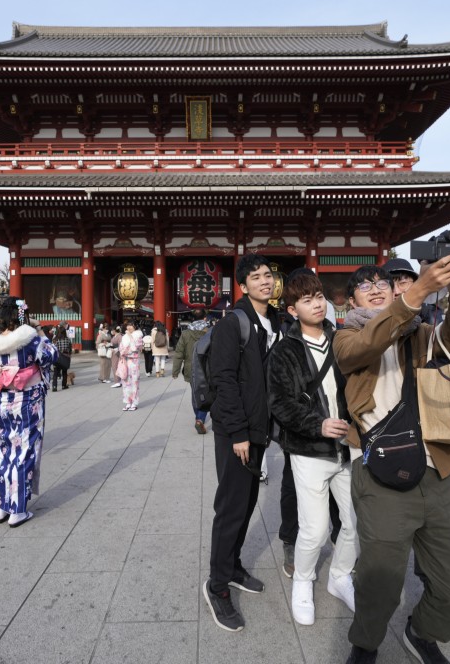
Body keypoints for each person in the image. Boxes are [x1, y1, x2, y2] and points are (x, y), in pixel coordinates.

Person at [334, 256, 450, 664]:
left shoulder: (421, 333)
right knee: (380, 579)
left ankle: (422, 632)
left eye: (382, 282)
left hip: (437, 468)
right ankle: (365, 644)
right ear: (350, 302)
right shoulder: (346, 335)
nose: (376, 288)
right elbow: (363, 349)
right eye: (365, 285)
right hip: (379, 469)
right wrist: (415, 294)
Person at [267, 269, 357, 626]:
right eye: (307, 300)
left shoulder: (342, 339)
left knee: (354, 522)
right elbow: (280, 403)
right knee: (316, 529)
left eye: (319, 296)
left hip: (348, 448)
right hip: (309, 451)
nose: (317, 304)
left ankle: (340, 575)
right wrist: (317, 424)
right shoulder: (284, 351)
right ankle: (303, 581)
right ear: (292, 310)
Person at [203, 254, 281, 633]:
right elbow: (224, 381)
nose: (265, 281)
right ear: (243, 285)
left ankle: (232, 567)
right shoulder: (233, 324)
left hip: (260, 429)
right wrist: (237, 434)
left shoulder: (276, 321)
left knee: (248, 503)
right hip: (237, 432)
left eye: (268, 275)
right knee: (231, 507)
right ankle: (217, 585)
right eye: (256, 276)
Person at [0, 299, 57, 527]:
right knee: (23, 452)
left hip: (1, 400)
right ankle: (18, 510)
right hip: (27, 399)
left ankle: (3, 506)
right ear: (23, 316)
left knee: (4, 451)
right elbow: (51, 355)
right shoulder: (30, 340)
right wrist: (39, 330)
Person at [170, 309, 210, 433]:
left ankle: (198, 417)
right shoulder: (210, 332)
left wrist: (175, 371)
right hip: (208, 368)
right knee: (207, 394)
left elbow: (179, 353)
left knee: (195, 394)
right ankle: (200, 418)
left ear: (193, 318)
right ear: (205, 318)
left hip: (191, 369)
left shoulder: (185, 334)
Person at [118, 321, 143, 411]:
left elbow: (135, 348)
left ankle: (134, 402)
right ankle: (128, 402)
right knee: (125, 382)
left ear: (135, 327)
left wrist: (130, 337)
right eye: (128, 326)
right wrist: (124, 351)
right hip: (125, 361)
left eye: (131, 325)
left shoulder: (138, 335)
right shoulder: (124, 337)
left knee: (134, 382)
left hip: (134, 361)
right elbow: (121, 348)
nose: (129, 327)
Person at [52, 326, 72, 391]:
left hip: (57, 358)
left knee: (55, 373)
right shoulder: (68, 340)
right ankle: (64, 385)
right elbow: (70, 349)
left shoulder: (55, 340)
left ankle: (54, 386)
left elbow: (53, 349)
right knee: (64, 372)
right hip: (65, 357)